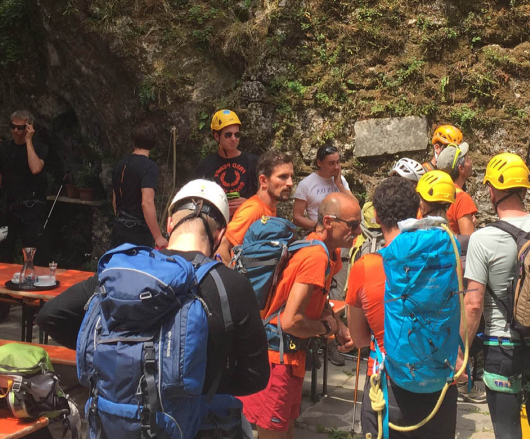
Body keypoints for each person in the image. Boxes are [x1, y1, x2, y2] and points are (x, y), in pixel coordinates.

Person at [36, 179, 271, 437]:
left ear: (169, 223)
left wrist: (111, 357)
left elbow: (50, 316)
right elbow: (256, 376)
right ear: (220, 236)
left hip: (115, 426)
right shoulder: (232, 285)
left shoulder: (123, 272)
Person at [463, 153, 530, 438]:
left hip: (502, 348)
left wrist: (463, 351)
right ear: (524, 189)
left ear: (492, 190)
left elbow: (473, 304)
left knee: (507, 432)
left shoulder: (482, 239)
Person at [347, 176, 458, 439]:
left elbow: (360, 339)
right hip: (439, 382)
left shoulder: (366, 266)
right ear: (418, 211)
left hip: (390, 385)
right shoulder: (442, 257)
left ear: (375, 216)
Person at [240, 193, 358, 439]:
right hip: (276, 361)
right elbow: (291, 320)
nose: (358, 231)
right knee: (274, 433)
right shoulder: (315, 256)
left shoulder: (322, 250)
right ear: (328, 221)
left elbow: (315, 301)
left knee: (287, 429)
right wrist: (326, 330)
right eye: (352, 225)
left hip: (289, 358)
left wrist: (337, 325)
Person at [0, 110, 49, 327]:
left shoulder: (40, 146)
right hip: (10, 209)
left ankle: (35, 309)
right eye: (13, 127)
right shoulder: (4, 150)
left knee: (34, 260)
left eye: (21, 127)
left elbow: (36, 168)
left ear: (29, 127)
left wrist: (28, 141)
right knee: (3, 258)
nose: (15, 131)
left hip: (32, 209)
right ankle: (2, 307)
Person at [220, 150, 294, 257]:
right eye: (283, 177)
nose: (290, 183)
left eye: (291, 177)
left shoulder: (269, 207)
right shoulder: (253, 210)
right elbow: (221, 247)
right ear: (263, 181)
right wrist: (233, 274)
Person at [110, 120, 166, 249]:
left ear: (133, 142)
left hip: (119, 225)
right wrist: (158, 237)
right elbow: (146, 203)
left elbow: (115, 201)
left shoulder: (120, 164)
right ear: (153, 144)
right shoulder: (149, 167)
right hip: (138, 230)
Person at [193, 109, 258, 217]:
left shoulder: (253, 162)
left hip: (248, 222)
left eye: (237, 134)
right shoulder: (205, 167)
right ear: (216, 136)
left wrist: (249, 204)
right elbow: (194, 200)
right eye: (228, 135)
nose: (234, 139)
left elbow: (268, 197)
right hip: (217, 224)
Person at [292, 144, 353, 230]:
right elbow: (297, 217)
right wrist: (320, 227)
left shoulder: (341, 180)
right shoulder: (306, 184)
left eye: (337, 162)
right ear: (319, 163)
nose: (336, 167)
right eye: (331, 163)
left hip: (343, 232)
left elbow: (355, 205)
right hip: (320, 234)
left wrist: (340, 185)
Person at [436, 143, 477, 235]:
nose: (470, 161)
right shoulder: (462, 199)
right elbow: (468, 241)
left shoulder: (436, 193)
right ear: (461, 168)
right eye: (467, 158)